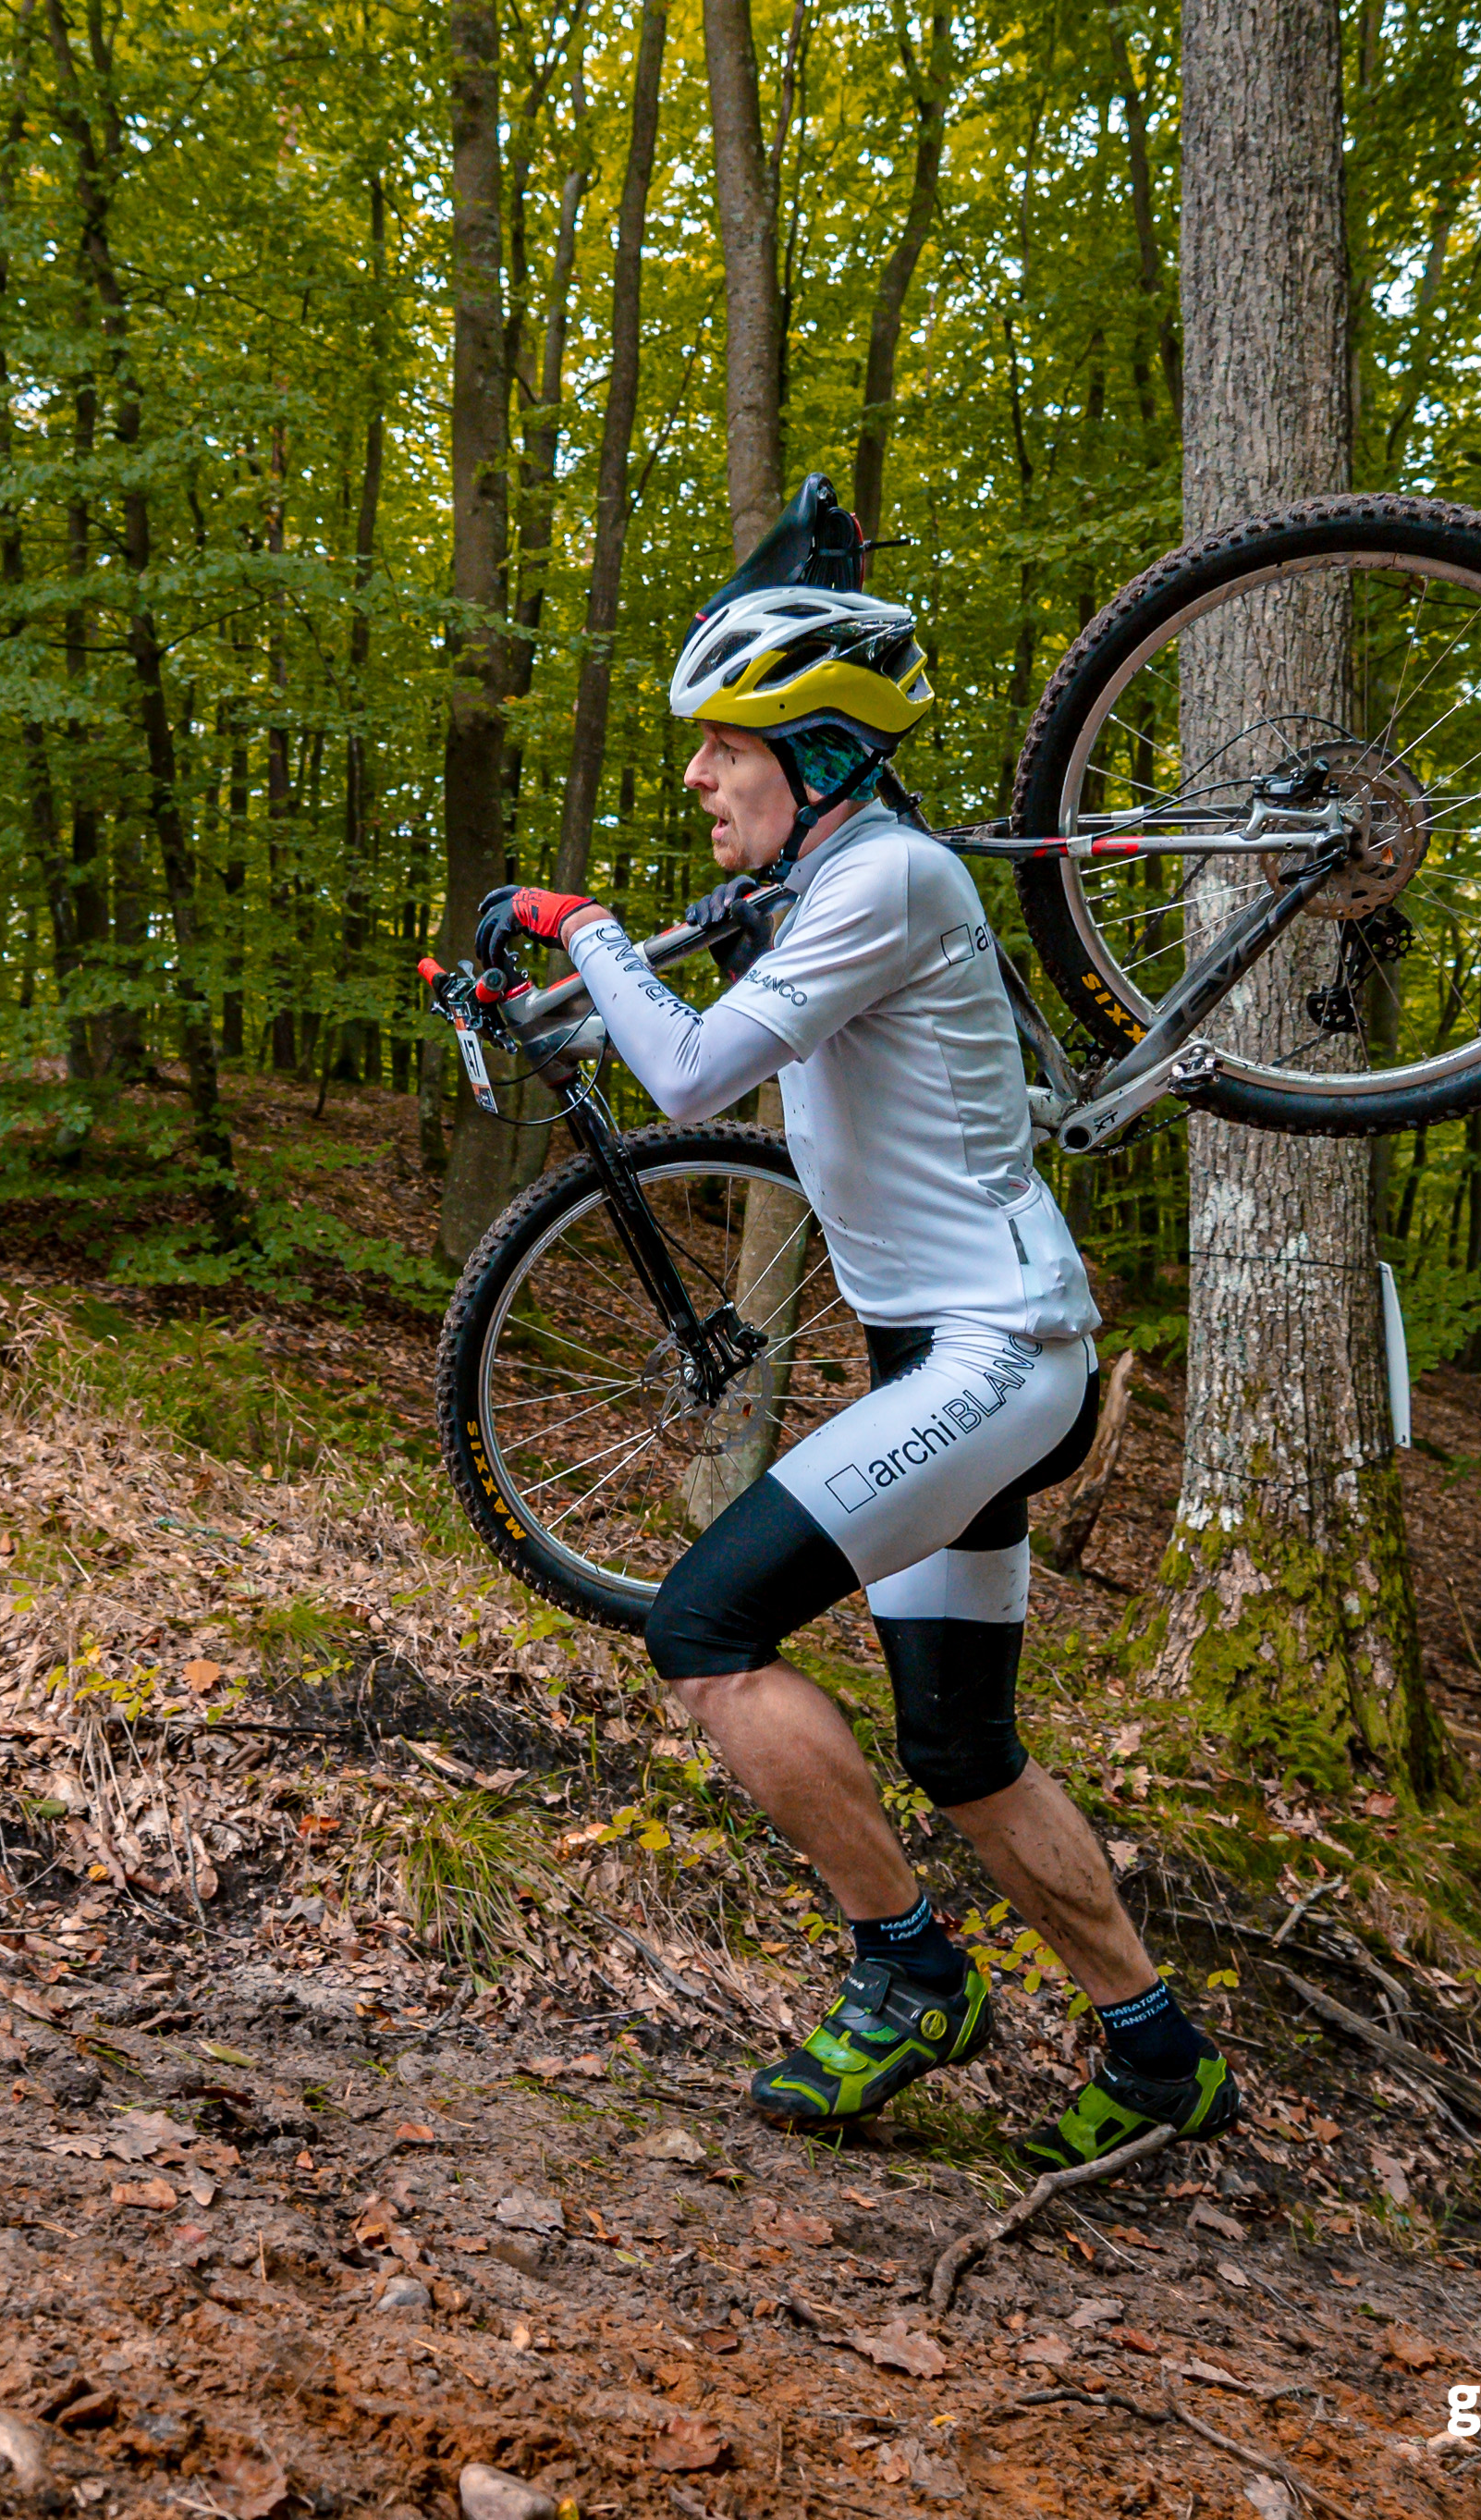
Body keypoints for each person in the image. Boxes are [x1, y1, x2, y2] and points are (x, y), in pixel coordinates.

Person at [468, 578, 1238, 2174]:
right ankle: (1157, 2055)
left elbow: (685, 1063)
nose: (696, 779)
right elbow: (685, 1028)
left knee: (700, 1629)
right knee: (959, 1747)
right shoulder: (839, 889)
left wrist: (585, 928)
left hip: (993, 1359)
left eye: (722, 748)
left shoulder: (887, 875)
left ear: (814, 756)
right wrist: (542, 1005)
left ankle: (905, 1972)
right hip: (964, 1361)